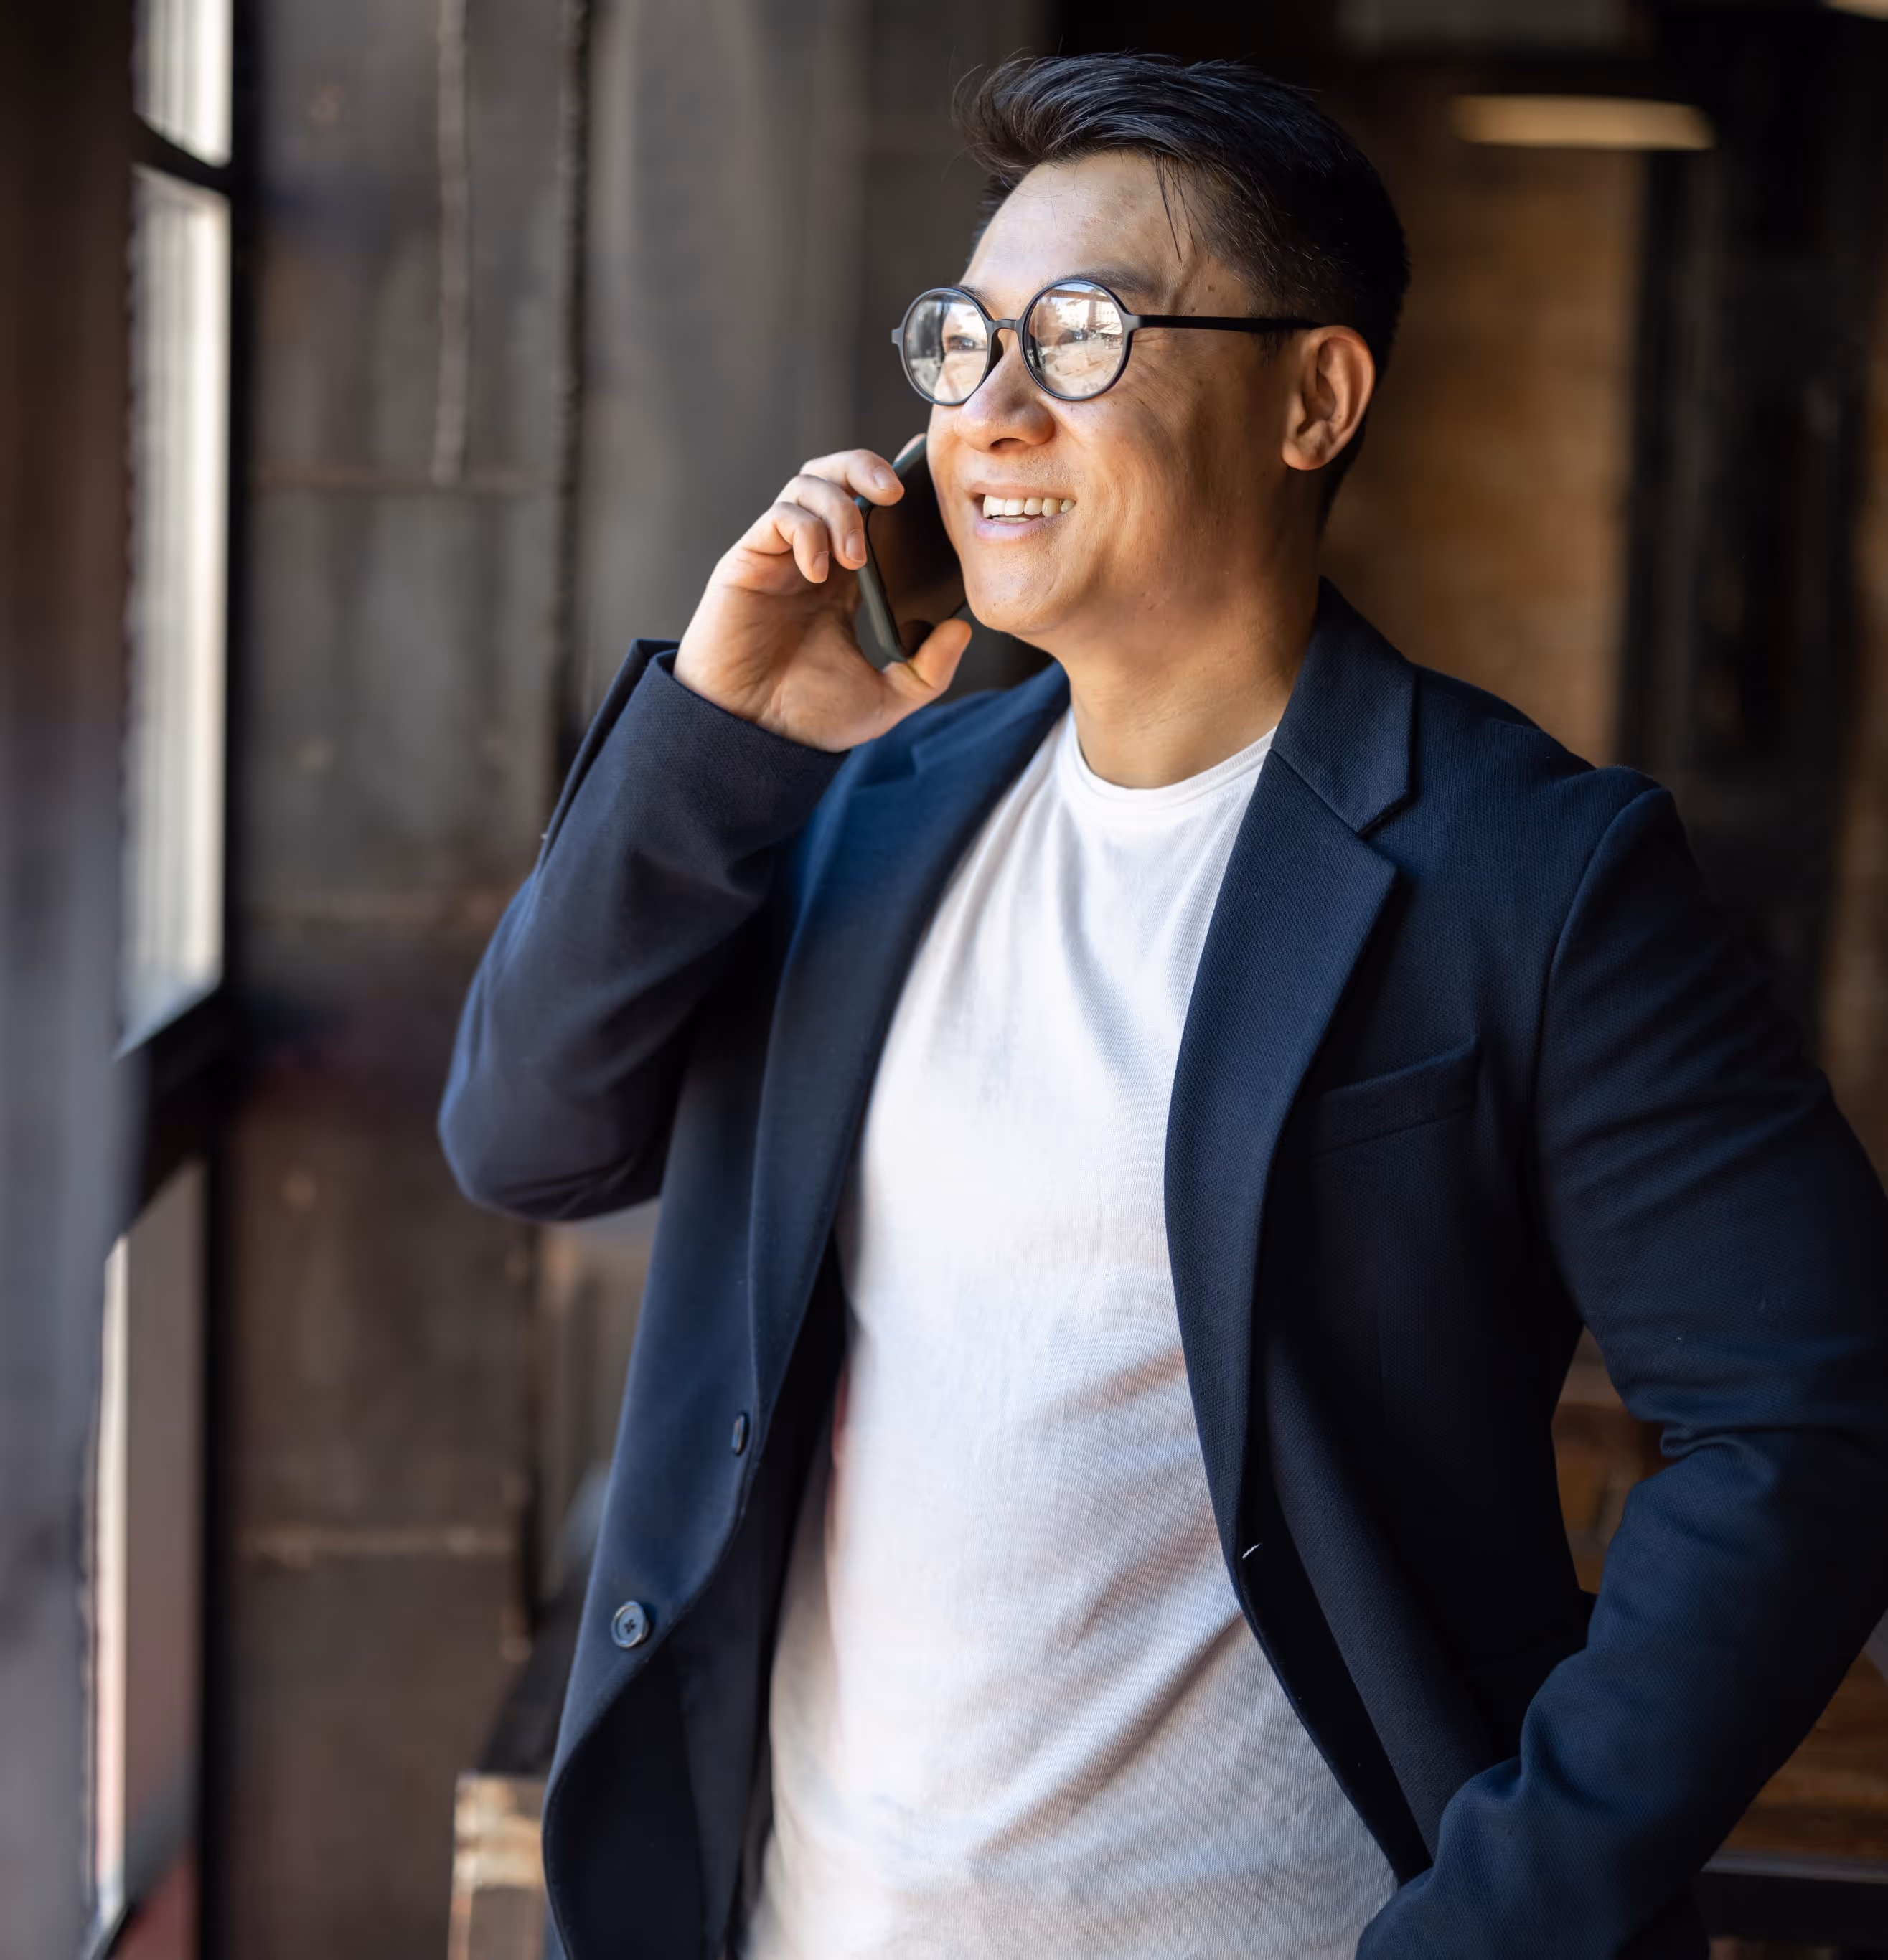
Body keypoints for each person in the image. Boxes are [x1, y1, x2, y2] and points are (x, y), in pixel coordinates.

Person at [438, 51, 1888, 1960]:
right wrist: (718, 736)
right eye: (960, 344)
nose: (991, 411)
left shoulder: (1528, 874)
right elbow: (525, 1135)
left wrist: (1496, 1924)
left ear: (1313, 396)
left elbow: (1811, 1423)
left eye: (1084, 337)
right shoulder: (873, 807)